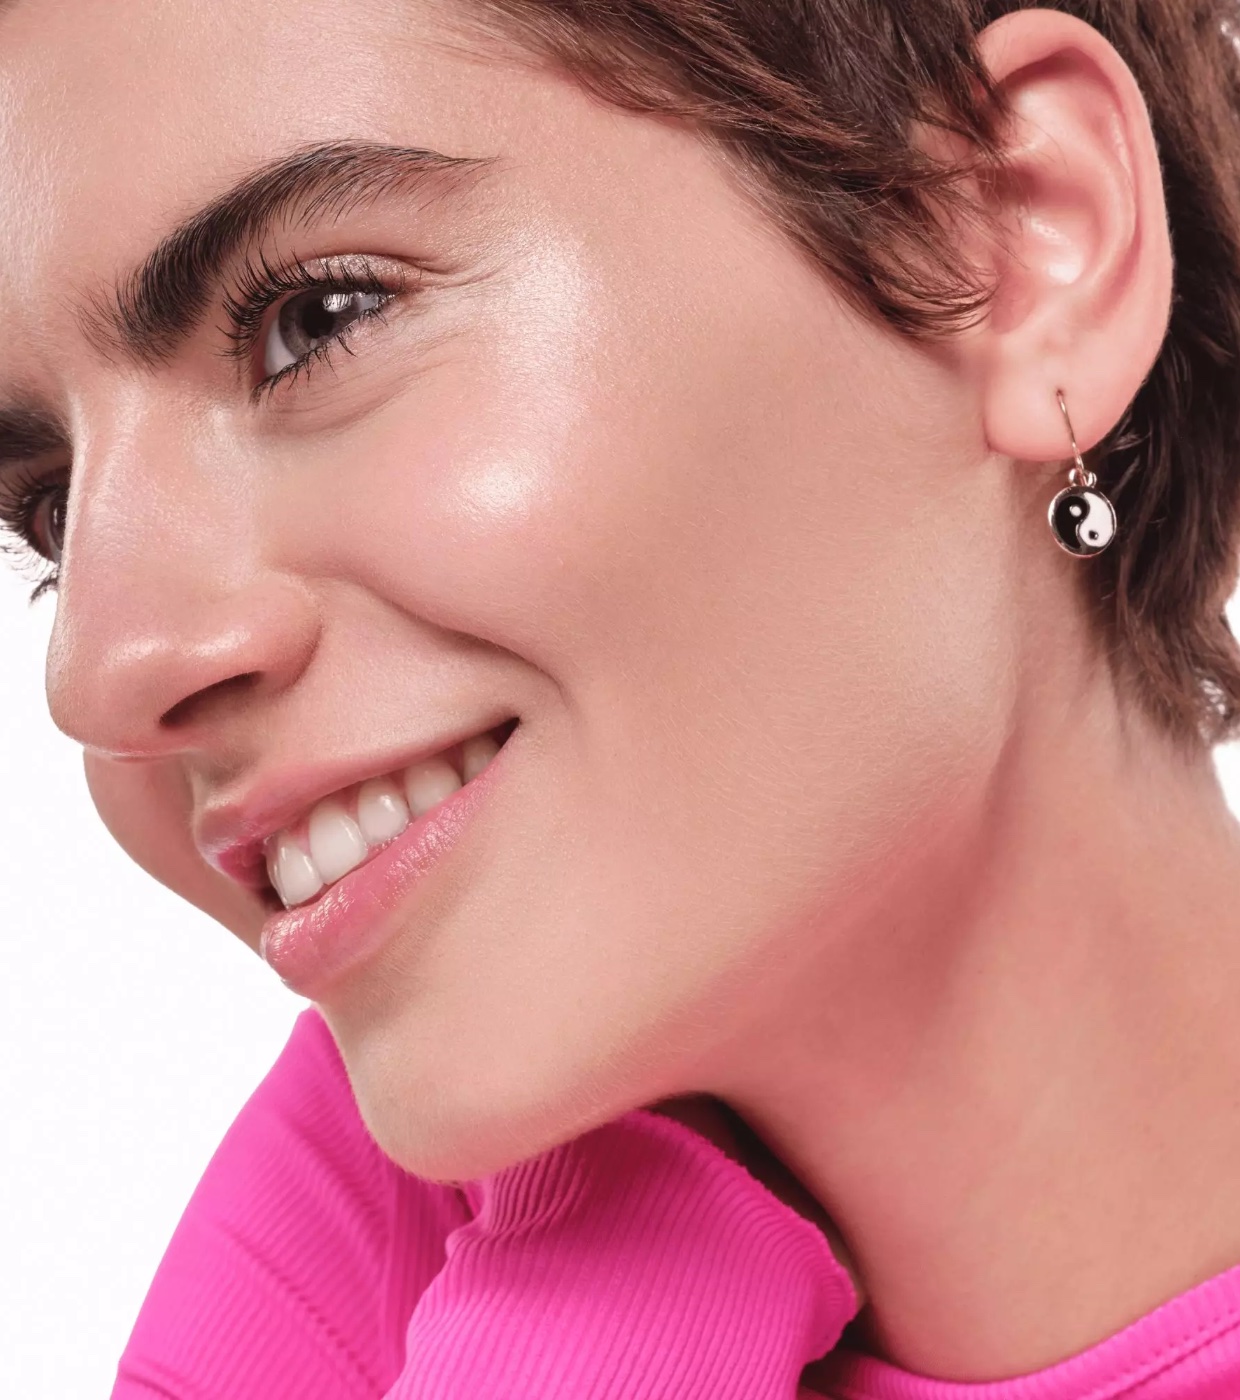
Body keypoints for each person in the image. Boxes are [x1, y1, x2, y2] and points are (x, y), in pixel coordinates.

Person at [3, 0, 1240, 1393]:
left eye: (318, 323)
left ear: (1017, 240)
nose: (102, 669)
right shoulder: (387, 1241)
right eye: (51, 510)